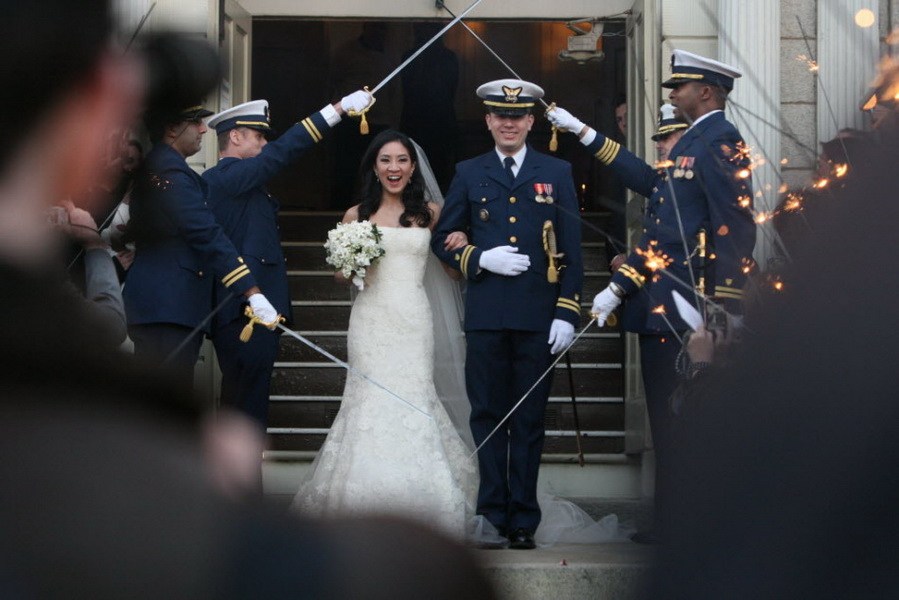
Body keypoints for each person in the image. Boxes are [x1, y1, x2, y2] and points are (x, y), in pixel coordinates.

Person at [547, 49, 756, 544]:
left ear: (706, 91)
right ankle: (672, 525)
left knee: (685, 423)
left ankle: (688, 528)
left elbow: (734, 227)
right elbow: (638, 174)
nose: (672, 95)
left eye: (679, 88)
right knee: (669, 425)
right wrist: (581, 130)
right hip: (662, 312)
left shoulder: (718, 139)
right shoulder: (694, 146)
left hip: (687, 313)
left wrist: (723, 306)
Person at [292, 129, 478, 537]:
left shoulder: (431, 212)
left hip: (413, 318)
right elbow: (341, 277)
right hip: (371, 319)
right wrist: (354, 260)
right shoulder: (355, 215)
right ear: (374, 168)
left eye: (401, 161)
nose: (394, 168)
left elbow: (449, 270)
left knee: (414, 396)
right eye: (385, 161)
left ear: (413, 168)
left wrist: (462, 241)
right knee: (367, 399)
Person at [431, 79, 584, 550]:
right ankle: (492, 513)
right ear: (488, 121)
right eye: (500, 115)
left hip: (540, 317)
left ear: (531, 122)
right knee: (489, 416)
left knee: (531, 420)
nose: (509, 123)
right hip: (487, 315)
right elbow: (443, 238)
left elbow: (574, 248)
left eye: (517, 116)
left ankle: (524, 519)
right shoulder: (468, 171)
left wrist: (567, 311)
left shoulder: (555, 171)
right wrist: (478, 259)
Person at [203, 91, 372, 429]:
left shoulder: (244, 183)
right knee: (245, 408)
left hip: (256, 309)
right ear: (234, 137)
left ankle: (239, 480)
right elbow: (282, 154)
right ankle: (239, 481)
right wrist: (336, 110)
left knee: (248, 404)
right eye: (258, 136)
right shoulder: (225, 177)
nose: (266, 144)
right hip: (244, 311)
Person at [123, 103, 279, 391]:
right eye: (195, 122)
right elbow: (205, 232)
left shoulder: (164, 169)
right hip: (167, 307)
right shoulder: (168, 170)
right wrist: (251, 290)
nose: (203, 129)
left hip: (167, 307)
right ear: (171, 128)